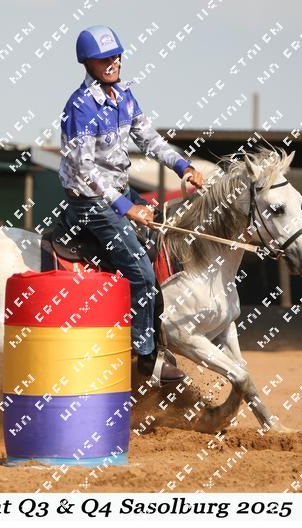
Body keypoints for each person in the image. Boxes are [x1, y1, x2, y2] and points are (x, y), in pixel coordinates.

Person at [58, 25, 205, 384]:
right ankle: (145, 358)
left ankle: (155, 330)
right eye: (104, 59)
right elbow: (84, 169)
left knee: (167, 242)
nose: (114, 63)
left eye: (116, 56)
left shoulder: (125, 96)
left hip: (119, 191)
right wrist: (127, 207)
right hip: (91, 201)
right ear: (87, 63)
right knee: (140, 271)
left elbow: (149, 140)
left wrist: (183, 167)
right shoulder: (80, 107)